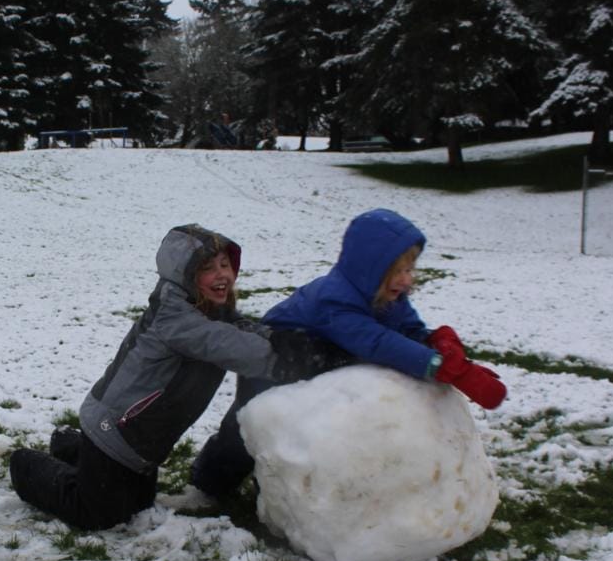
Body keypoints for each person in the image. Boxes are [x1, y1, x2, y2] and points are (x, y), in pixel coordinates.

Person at [9, 223, 331, 530]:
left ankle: (71, 447)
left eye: (225, 264)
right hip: (115, 431)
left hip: (139, 443)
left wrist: (280, 339)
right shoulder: (177, 320)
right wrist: (295, 360)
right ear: (186, 276)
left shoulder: (208, 310)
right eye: (208, 268)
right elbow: (229, 345)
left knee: (137, 506)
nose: (222, 274)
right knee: (98, 515)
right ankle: (25, 465)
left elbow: (239, 330)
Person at [191, 207, 506, 498]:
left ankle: (285, 489)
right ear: (371, 269)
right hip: (275, 359)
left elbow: (406, 329)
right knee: (250, 426)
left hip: (319, 359)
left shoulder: (387, 295)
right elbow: (376, 342)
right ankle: (210, 484)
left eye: (411, 268)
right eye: (398, 271)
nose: (407, 279)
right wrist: (438, 366)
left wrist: (436, 342)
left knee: (306, 428)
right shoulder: (336, 299)